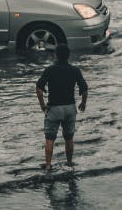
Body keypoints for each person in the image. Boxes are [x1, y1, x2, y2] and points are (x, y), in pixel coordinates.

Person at [35, 44, 88, 172]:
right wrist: (83, 103)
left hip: (54, 108)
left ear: (56, 55)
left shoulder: (49, 70)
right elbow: (84, 89)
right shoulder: (75, 70)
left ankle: (48, 165)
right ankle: (69, 163)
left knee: (50, 138)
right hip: (70, 108)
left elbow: (39, 89)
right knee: (69, 137)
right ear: (68, 56)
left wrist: (42, 105)